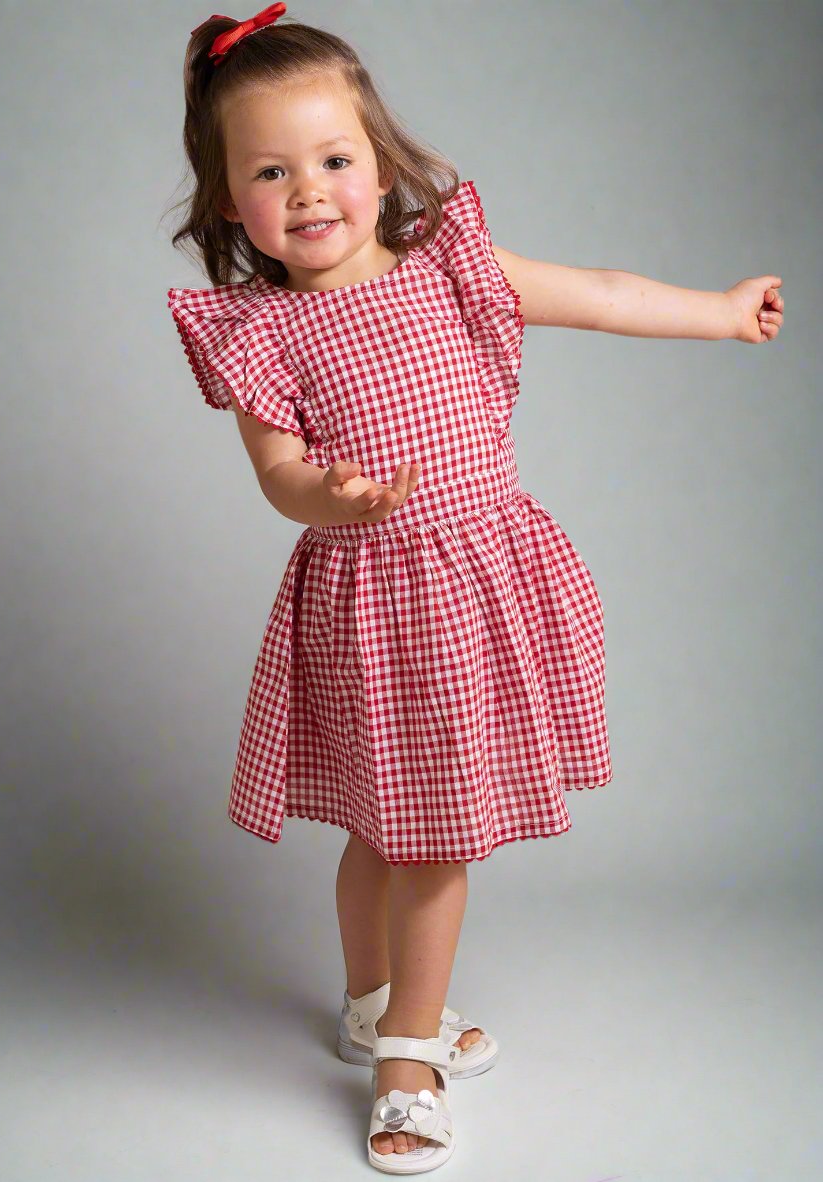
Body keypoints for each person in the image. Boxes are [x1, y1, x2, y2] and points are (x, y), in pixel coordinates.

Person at [165, 5, 785, 1172]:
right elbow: (277, 475)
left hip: (472, 591)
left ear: (379, 159)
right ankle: (392, 1036)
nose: (309, 191)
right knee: (379, 825)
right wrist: (328, 497)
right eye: (270, 171)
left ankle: (399, 1028)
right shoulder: (261, 335)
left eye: (334, 159)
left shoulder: (452, 268)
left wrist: (714, 313)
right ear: (226, 198)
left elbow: (598, 292)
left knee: (433, 833)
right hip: (362, 604)